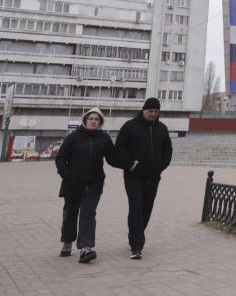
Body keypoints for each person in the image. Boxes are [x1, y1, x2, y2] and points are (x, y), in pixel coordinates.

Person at [55, 108, 135, 263]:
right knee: (70, 213)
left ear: (100, 122)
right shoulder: (73, 137)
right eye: (91, 118)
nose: (93, 121)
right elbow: (60, 158)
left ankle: (86, 248)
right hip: (73, 183)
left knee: (88, 214)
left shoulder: (104, 138)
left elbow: (113, 159)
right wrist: (67, 176)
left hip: (94, 183)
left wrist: (130, 164)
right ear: (85, 120)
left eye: (97, 119)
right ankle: (67, 241)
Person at [115, 97, 172, 260]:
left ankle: (135, 235)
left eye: (156, 111)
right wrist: (129, 164)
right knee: (136, 208)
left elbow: (168, 149)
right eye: (150, 111)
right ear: (143, 110)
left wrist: (162, 165)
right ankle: (136, 246)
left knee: (146, 209)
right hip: (133, 176)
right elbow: (120, 148)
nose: (153, 114)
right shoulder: (129, 126)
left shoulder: (162, 128)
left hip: (153, 177)